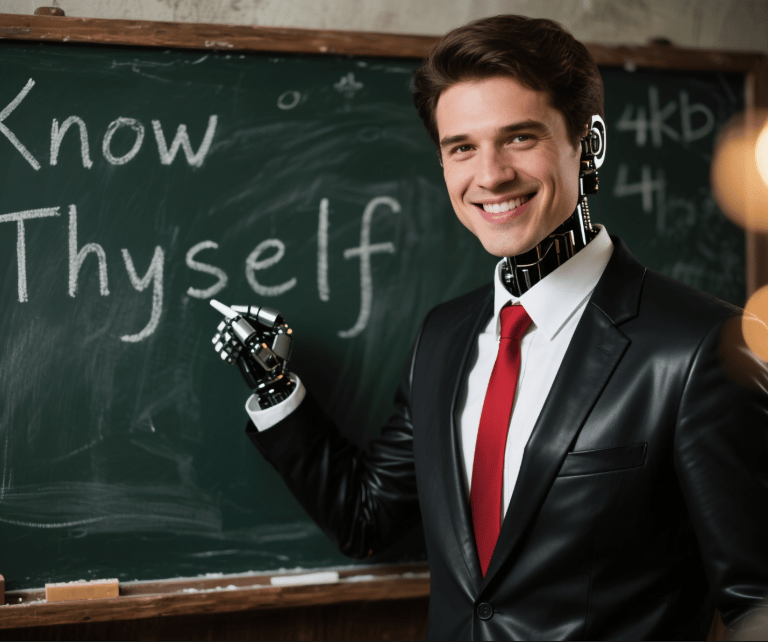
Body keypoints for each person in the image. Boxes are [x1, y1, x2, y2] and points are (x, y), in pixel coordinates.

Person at [211, 15, 768, 640]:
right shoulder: (443, 336)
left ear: (591, 144)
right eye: (462, 147)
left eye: (520, 138)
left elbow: (758, 603)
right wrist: (275, 387)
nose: (490, 174)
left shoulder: (702, 349)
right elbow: (366, 518)